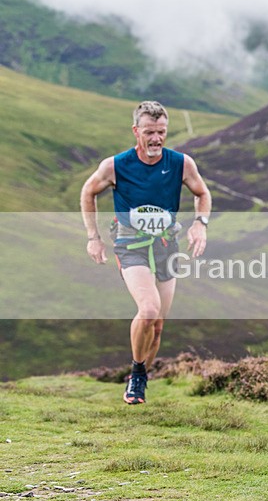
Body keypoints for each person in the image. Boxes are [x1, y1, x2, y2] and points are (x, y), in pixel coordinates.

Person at [80, 101, 211, 405]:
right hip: (130, 247)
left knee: (159, 325)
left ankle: (139, 376)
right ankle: (138, 375)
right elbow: (88, 191)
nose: (156, 139)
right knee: (149, 310)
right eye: (149, 132)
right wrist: (93, 237)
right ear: (136, 131)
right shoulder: (115, 165)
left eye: (161, 132)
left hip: (167, 246)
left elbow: (202, 193)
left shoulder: (181, 163)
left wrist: (200, 224)